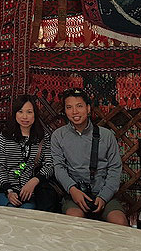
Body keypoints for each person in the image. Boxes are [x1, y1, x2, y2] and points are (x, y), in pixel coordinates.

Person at [51, 88, 128, 225]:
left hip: (104, 193)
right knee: (75, 221)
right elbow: (59, 167)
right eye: (69, 107)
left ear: (88, 108)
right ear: (65, 111)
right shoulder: (59, 136)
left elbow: (115, 169)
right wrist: (72, 190)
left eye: (79, 106)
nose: (74, 112)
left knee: (119, 222)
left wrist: (104, 197)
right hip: (74, 194)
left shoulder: (106, 135)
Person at [0, 95, 54, 209]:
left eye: (29, 112)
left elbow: (50, 164)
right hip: (5, 190)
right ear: (15, 113)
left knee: (26, 213)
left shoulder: (43, 137)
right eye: (20, 112)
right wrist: (9, 190)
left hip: (29, 193)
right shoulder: (6, 135)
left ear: (35, 114)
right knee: (9, 210)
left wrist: (34, 181)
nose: (24, 117)